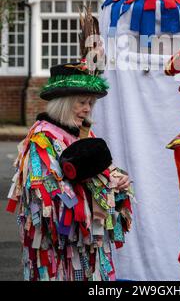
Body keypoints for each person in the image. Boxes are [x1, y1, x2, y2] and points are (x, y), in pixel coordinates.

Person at [7, 14, 133, 281]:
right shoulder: (42, 138)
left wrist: (117, 182)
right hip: (57, 255)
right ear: (63, 103)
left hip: (87, 255)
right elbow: (43, 201)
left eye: (90, 102)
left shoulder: (83, 132)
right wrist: (100, 192)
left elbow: (101, 172)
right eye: (81, 102)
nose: (87, 109)